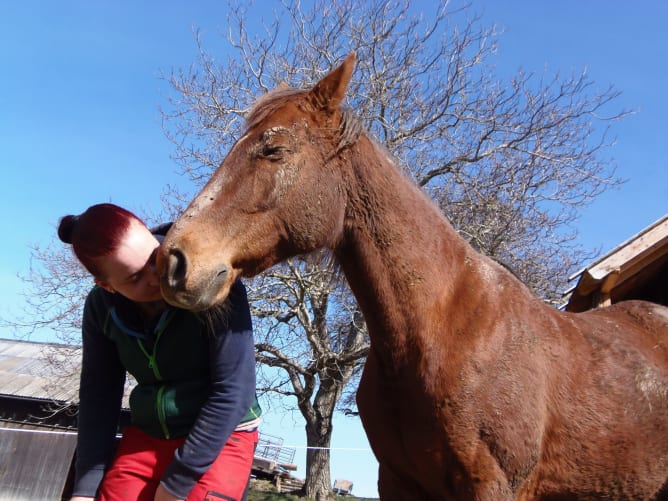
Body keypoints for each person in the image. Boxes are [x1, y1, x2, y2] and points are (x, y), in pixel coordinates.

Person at [58, 203, 261, 501]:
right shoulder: (99, 309)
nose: (156, 277)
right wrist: (85, 490)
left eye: (155, 257)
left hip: (222, 432)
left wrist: (177, 483)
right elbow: (98, 398)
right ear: (106, 286)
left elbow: (234, 390)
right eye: (135, 278)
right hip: (149, 434)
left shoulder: (210, 280)